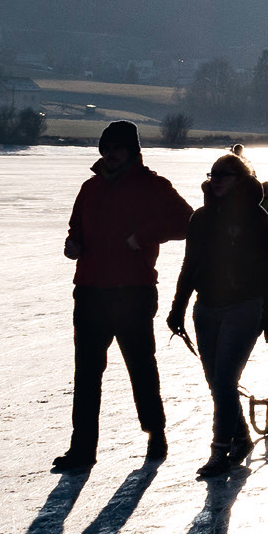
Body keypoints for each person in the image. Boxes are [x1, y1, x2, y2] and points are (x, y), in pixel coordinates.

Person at [53, 121, 193, 473]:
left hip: (133, 291)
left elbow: (188, 221)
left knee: (141, 368)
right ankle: (82, 449)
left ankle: (155, 432)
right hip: (89, 292)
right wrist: (74, 245)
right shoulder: (90, 188)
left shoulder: (152, 186)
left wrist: (145, 236)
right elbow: (76, 228)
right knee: (86, 374)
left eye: (118, 147)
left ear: (132, 150)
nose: (110, 153)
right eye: (106, 147)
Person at [167, 153, 268, 479]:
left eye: (224, 174)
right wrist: (178, 307)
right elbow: (190, 266)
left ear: (239, 179)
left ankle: (219, 451)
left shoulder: (257, 219)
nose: (216, 179)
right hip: (206, 308)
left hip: (244, 308)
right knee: (216, 381)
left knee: (225, 380)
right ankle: (242, 438)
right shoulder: (200, 218)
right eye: (213, 174)